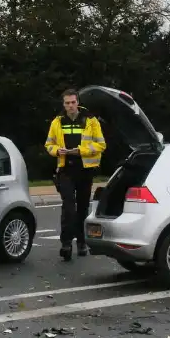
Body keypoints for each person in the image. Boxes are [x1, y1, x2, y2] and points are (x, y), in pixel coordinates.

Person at [44, 89, 107, 261]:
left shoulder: (90, 120)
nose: (70, 106)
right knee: (68, 206)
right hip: (65, 169)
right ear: (63, 104)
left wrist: (80, 151)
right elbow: (49, 145)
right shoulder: (57, 122)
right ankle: (66, 243)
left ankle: (81, 241)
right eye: (67, 103)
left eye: (73, 102)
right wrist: (58, 151)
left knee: (83, 207)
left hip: (85, 169)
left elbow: (101, 145)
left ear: (77, 102)